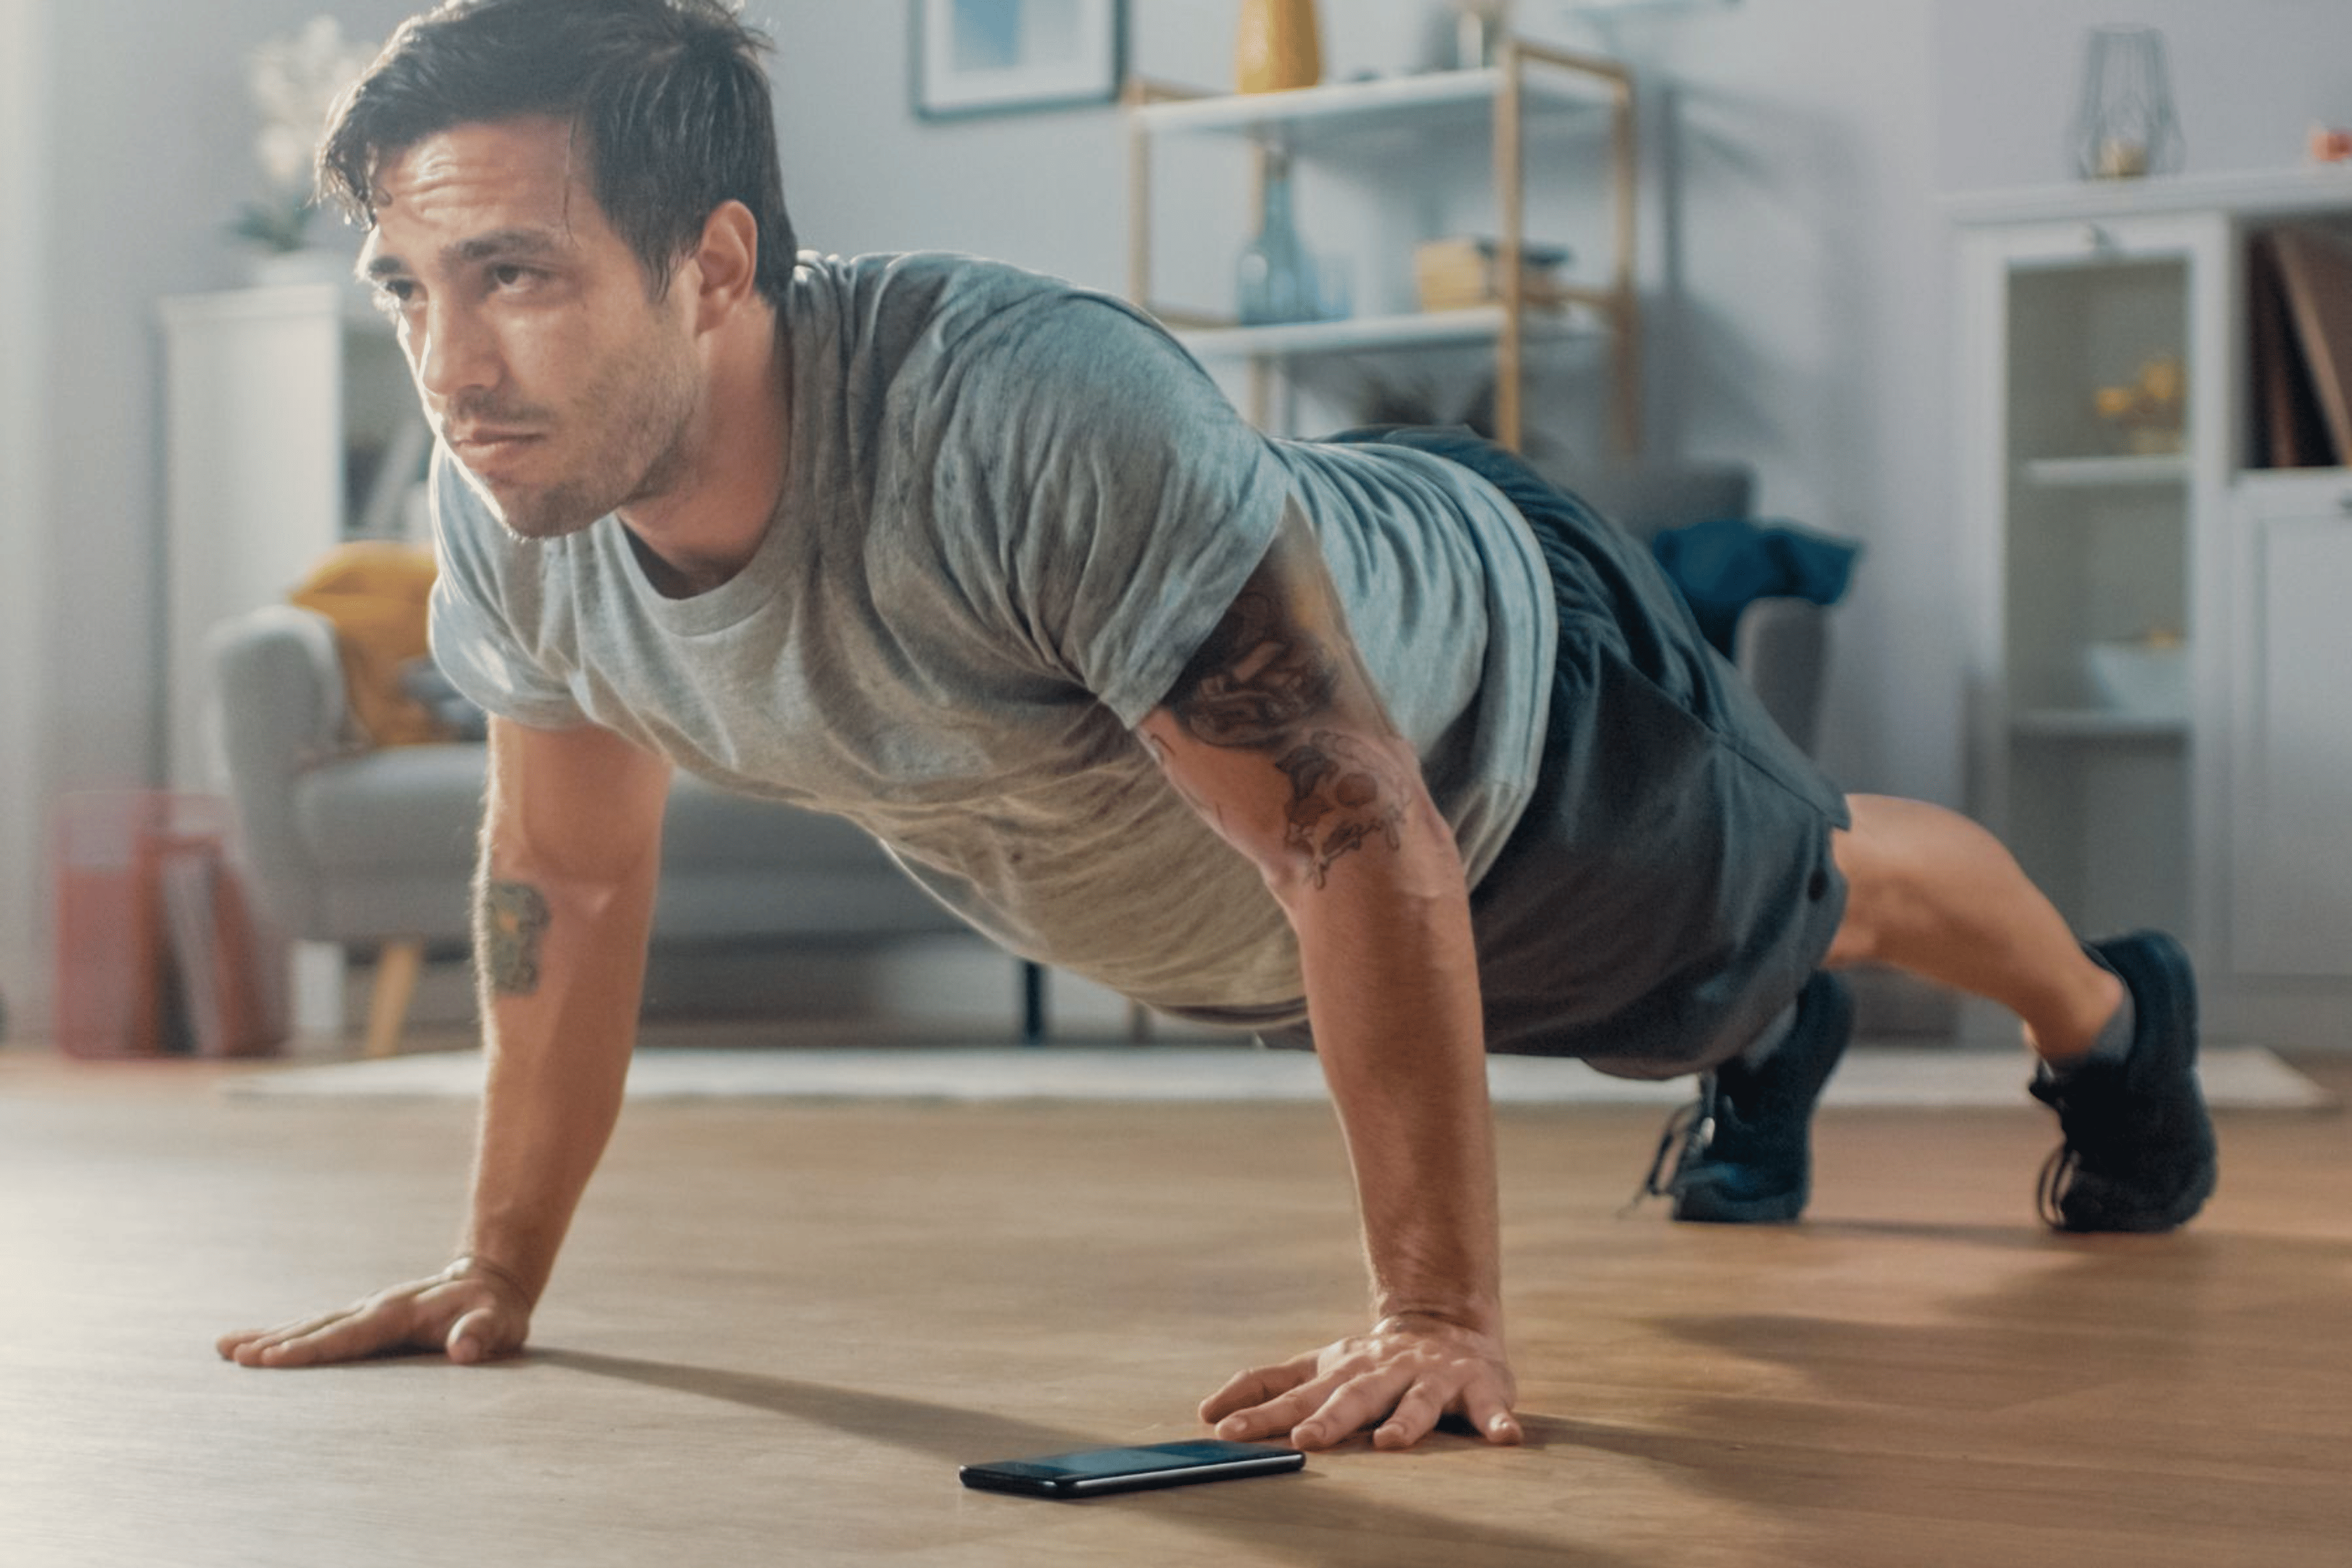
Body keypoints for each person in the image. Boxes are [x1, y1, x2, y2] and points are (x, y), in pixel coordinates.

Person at [217, 0, 2217, 1454]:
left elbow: (1353, 828)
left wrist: (1436, 1316)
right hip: (1283, 907)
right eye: (406, 285)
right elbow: (564, 871)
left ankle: (2117, 1029)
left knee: (1813, 895)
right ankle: (1761, 1034)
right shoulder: (516, 505)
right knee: (1713, 998)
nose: (451, 367)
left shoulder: (1021, 412)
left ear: (717, 260)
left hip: (1513, 730)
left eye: (515, 276)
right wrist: (500, 1267)